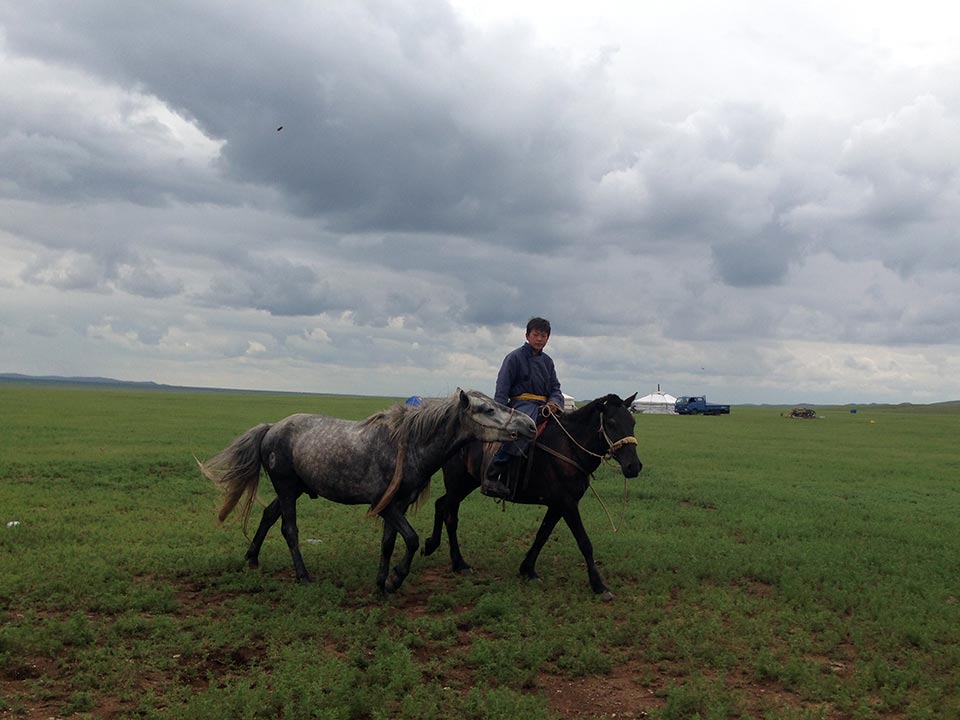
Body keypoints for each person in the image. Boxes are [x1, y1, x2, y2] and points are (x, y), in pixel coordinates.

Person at [482, 317, 565, 499]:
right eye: (536, 334)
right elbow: (502, 388)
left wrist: (554, 403)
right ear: (527, 335)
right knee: (524, 429)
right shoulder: (514, 358)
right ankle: (495, 471)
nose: (540, 339)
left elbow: (555, 388)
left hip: (545, 406)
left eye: (544, 336)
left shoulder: (548, 362)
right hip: (521, 406)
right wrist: (500, 414)